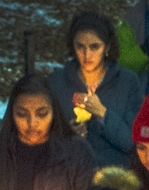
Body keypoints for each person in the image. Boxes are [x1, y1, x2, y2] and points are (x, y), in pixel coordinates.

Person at [48, 11, 143, 170]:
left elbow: (133, 142)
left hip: (113, 175)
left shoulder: (127, 82)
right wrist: (67, 134)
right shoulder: (57, 82)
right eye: (80, 46)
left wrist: (102, 114)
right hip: (67, 172)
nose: (87, 55)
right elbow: (43, 136)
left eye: (94, 47)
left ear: (107, 47)